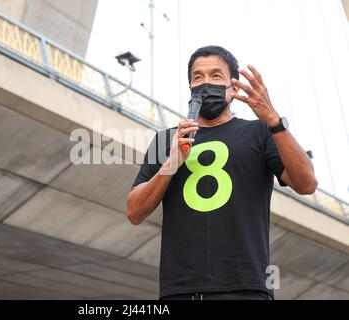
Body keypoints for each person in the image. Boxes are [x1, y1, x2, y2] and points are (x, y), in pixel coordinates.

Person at [126, 45, 317, 300]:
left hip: (245, 289)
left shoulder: (260, 133)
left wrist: (273, 120)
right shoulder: (167, 140)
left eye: (216, 76)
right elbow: (134, 212)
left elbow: (307, 184)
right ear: (190, 88)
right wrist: (171, 163)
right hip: (180, 291)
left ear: (233, 88)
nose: (206, 83)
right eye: (197, 77)